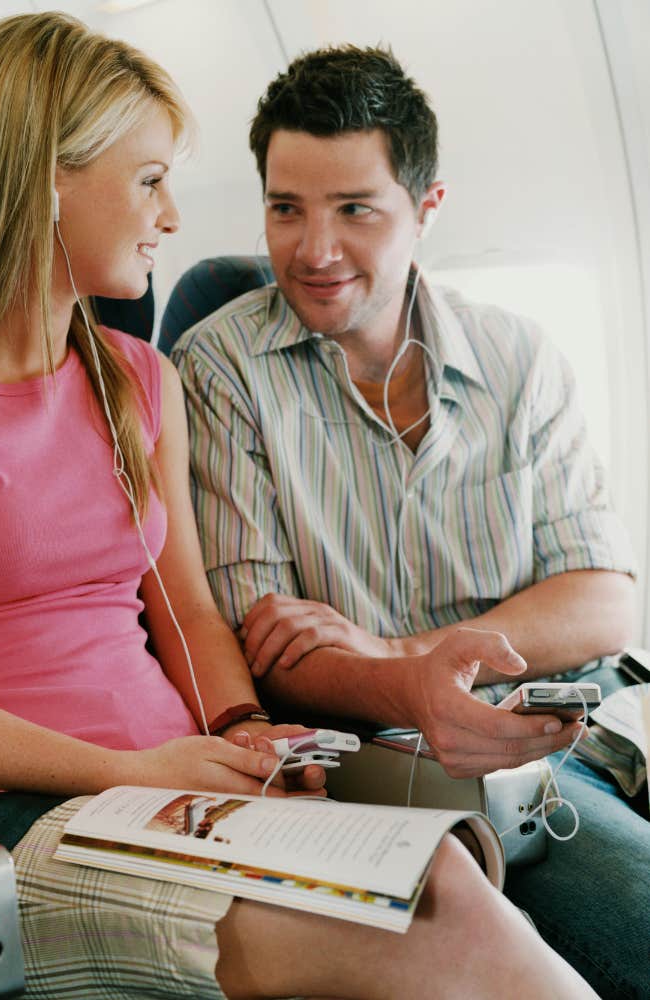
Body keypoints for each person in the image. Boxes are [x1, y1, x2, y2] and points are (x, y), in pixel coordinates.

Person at [0, 14, 595, 1000]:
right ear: (44, 181)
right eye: (148, 179)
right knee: (411, 926)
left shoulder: (138, 379)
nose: (171, 215)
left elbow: (180, 606)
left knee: (441, 874)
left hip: (169, 778)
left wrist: (239, 724)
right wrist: (124, 768)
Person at [172, 44, 648, 999]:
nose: (314, 249)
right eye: (286, 208)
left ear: (427, 209)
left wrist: (399, 646)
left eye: (355, 209)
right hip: (448, 771)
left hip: (603, 714)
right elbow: (263, 640)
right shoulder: (218, 369)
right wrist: (409, 684)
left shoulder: (519, 358)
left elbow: (602, 602)